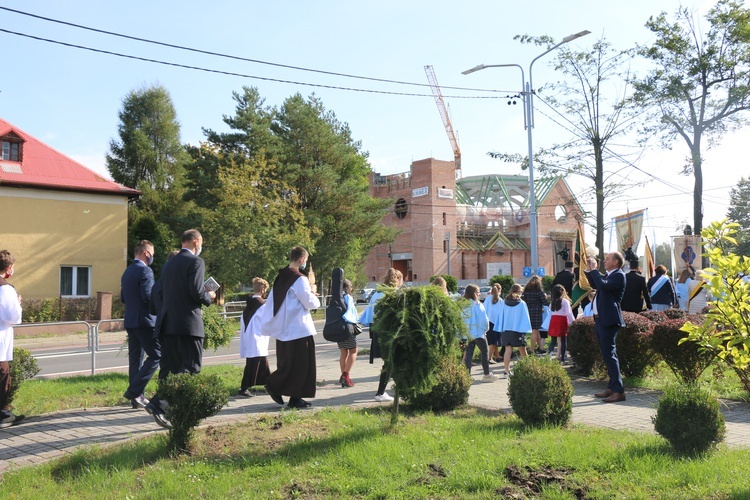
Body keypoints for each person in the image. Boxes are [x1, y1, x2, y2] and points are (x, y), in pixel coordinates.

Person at [145, 229, 216, 428]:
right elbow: (195, 291)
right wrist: (208, 297)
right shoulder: (195, 262)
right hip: (187, 324)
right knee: (192, 368)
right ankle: (159, 403)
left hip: (167, 324)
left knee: (175, 370)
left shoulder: (169, 264)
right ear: (196, 241)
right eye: (201, 242)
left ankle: (171, 410)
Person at [262, 246, 320, 409]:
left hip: (284, 328)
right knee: (302, 365)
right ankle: (273, 384)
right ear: (302, 260)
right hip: (299, 328)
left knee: (289, 364)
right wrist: (314, 295)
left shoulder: (281, 276)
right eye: (306, 261)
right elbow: (308, 301)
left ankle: (295, 398)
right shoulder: (299, 279)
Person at [120, 240, 161, 410]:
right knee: (157, 355)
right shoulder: (146, 270)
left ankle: (136, 397)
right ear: (146, 253)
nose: (153, 257)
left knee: (135, 359)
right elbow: (147, 296)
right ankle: (134, 391)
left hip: (130, 320)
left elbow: (123, 298)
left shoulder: (127, 272)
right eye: (152, 253)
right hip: (145, 321)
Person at [585, 252, 627, 403]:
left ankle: (618, 391)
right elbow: (596, 284)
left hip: (609, 320)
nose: (604, 260)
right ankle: (612, 386)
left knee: (610, 354)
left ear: (616, 262)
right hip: (601, 320)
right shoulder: (610, 275)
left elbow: (602, 285)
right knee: (606, 354)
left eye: (608, 259)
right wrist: (590, 270)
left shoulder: (619, 275)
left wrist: (595, 269)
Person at [359, 268, 402, 402]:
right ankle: (380, 393)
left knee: (390, 362)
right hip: (390, 332)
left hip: (378, 331)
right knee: (390, 363)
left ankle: (393, 390)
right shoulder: (394, 294)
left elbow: (368, 315)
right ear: (397, 280)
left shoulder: (377, 293)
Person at [0, 250, 24, 428]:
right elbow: (12, 316)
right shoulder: (5, 288)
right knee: (2, 375)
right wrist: (18, 304)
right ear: (8, 268)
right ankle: (3, 413)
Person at [238, 277, 270, 397]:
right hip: (258, 337)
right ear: (262, 290)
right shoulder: (262, 305)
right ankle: (244, 387)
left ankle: (269, 384)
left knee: (261, 362)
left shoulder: (249, 304)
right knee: (254, 363)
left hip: (250, 337)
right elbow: (269, 320)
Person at [461, 284, 497, 382]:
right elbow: (484, 320)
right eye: (478, 292)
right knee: (484, 353)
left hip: (468, 334)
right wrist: (485, 329)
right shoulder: (478, 304)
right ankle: (486, 374)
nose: (479, 294)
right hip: (479, 333)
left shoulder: (463, 304)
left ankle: (466, 376)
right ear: (474, 293)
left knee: (469, 354)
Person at [498, 284, 531, 378]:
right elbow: (525, 317)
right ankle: (527, 369)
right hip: (518, 329)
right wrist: (527, 329)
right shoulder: (521, 303)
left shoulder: (504, 302)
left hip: (506, 329)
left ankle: (506, 371)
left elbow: (501, 316)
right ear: (519, 292)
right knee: (523, 350)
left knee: (508, 349)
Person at [337, 279, 360, 388]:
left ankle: (344, 378)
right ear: (348, 288)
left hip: (338, 328)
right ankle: (345, 376)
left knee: (343, 353)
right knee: (354, 351)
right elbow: (351, 313)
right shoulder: (347, 297)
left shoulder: (336, 297)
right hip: (347, 327)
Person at [546, 285, 576, 363]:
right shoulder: (565, 301)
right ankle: (562, 358)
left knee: (553, 340)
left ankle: (549, 354)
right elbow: (569, 313)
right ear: (562, 292)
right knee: (563, 340)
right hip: (562, 320)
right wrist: (573, 321)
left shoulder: (552, 301)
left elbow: (550, 310)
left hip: (553, 320)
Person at [521, 275, 548, 355]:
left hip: (529, 310)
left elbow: (524, 299)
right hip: (537, 312)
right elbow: (544, 302)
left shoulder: (526, 291)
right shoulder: (539, 291)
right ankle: (532, 349)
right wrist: (546, 298)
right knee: (535, 330)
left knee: (536, 330)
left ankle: (541, 348)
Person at [483, 284, 504, 363]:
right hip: (496, 322)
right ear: (499, 290)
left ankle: (497, 355)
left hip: (488, 321)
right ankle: (490, 357)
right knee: (494, 341)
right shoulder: (500, 300)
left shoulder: (487, 299)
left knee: (493, 340)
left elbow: (484, 309)